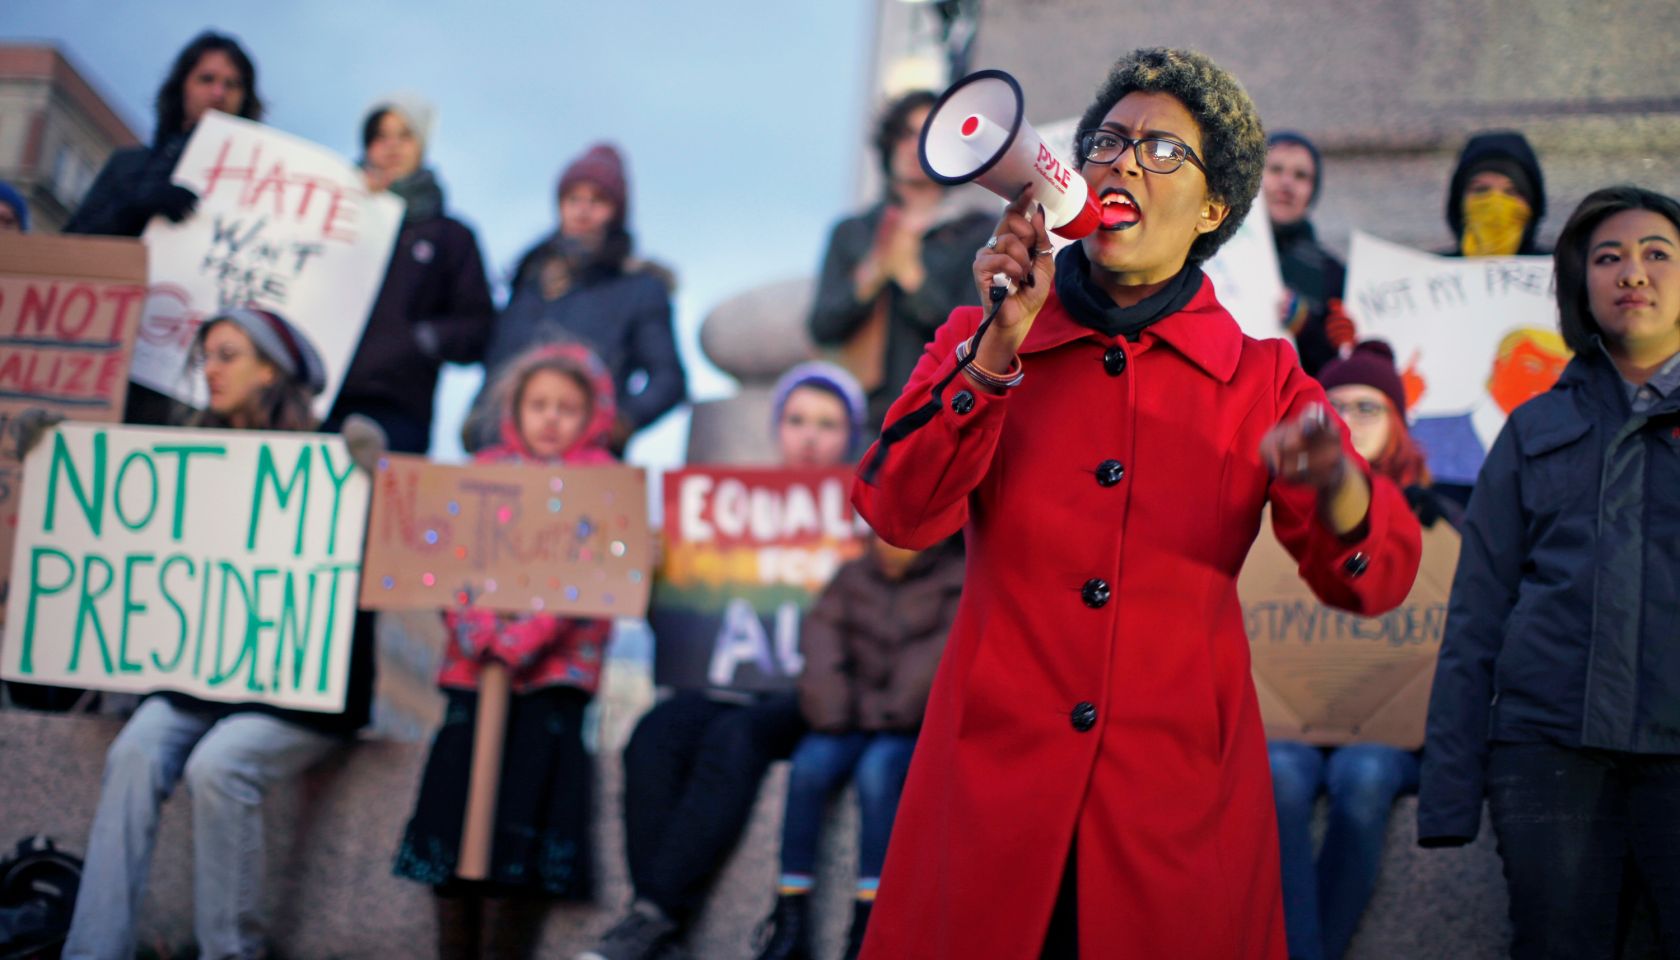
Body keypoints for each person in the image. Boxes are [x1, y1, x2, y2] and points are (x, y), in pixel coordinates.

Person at [851, 48, 1423, 958]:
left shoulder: (1264, 378)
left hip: (1174, 812)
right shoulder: (984, 334)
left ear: (1211, 211)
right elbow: (897, 511)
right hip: (990, 800)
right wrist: (997, 351)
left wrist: (1343, 486)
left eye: (1162, 151)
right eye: (1109, 142)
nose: (1122, 163)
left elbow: (1377, 582)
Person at [61, 307, 377, 960]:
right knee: (135, 751)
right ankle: (92, 951)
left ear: (272, 371)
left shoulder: (330, 466)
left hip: (300, 696)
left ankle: (229, 953)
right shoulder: (183, 463)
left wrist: (370, 481)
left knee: (219, 764)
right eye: (206, 356)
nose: (212, 369)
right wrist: (48, 463)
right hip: (201, 683)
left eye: (229, 355)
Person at [1417, 185, 1680, 959]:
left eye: (1656, 254)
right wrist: (1450, 793)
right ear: (1580, 285)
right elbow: (1477, 613)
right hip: (1548, 755)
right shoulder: (1534, 428)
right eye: (1608, 258)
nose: (1632, 272)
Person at [578, 362, 866, 960]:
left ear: (851, 435)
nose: (810, 437)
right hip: (722, 686)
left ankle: (653, 917)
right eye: (797, 421)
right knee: (654, 735)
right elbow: (684, 635)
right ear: (777, 428)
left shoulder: (870, 517)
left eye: (827, 424)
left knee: (735, 739)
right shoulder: (717, 513)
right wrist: (660, 574)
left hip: (814, 699)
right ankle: (656, 925)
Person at [393, 344, 619, 960]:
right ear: (514, 408)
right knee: (453, 812)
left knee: (521, 820)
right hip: (473, 677)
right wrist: (478, 631)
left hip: (551, 686)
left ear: (591, 415)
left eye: (567, 408)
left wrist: (521, 639)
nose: (551, 418)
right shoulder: (481, 473)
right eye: (539, 404)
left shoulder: (602, 487)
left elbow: (595, 578)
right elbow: (447, 561)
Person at [1267, 340, 1460, 960]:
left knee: (1366, 774)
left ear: (1401, 422)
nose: (1351, 420)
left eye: (1369, 407)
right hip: (1290, 729)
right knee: (1279, 775)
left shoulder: (1449, 518)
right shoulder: (1274, 510)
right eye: (1337, 407)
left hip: (1392, 736)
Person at [751, 534, 964, 960]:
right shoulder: (852, 576)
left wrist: (892, 714)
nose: (891, 551)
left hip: (909, 722)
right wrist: (832, 712)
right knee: (809, 766)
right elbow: (821, 645)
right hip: (848, 714)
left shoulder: (957, 580)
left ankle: (870, 919)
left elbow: (939, 658)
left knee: (879, 772)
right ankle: (791, 910)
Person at [62, 30, 262, 427]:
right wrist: (135, 209)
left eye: (232, 84)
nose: (219, 92)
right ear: (182, 87)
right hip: (111, 362)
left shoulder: (261, 189)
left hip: (200, 384)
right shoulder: (129, 166)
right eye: (207, 79)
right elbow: (69, 252)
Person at [469, 144, 684, 455]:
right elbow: (499, 362)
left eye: (597, 201)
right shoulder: (528, 280)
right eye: (574, 199)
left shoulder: (638, 288)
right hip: (502, 453)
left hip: (587, 463)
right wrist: (477, 418)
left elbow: (668, 378)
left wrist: (622, 422)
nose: (583, 210)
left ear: (617, 212)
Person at [807, 91, 997, 431]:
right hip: (857, 422)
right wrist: (871, 276)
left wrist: (912, 278)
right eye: (905, 134)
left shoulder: (977, 232)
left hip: (937, 412)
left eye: (927, 137)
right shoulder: (853, 232)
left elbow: (976, 334)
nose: (912, 147)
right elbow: (822, 325)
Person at [326, 95, 496, 454]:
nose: (391, 147)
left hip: (398, 407)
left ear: (422, 145)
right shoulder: (333, 216)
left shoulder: (451, 236)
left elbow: (478, 326)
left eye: (404, 135)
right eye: (380, 136)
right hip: (319, 397)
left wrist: (422, 339)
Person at [1409, 130, 1552, 499]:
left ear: (1532, 203)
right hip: (1443, 491)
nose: (1495, 203)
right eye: (1480, 189)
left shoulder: (1565, 279)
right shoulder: (1419, 279)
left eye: (1511, 191)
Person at [1262, 131, 1351, 376]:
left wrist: (1305, 326)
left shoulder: (1333, 274)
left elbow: (1338, 367)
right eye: (1275, 170)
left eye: (1300, 175)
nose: (1286, 183)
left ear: (1312, 191)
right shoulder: (1213, 253)